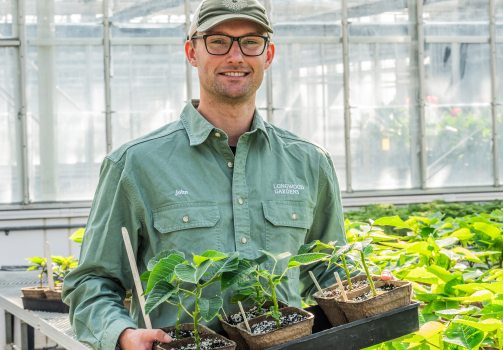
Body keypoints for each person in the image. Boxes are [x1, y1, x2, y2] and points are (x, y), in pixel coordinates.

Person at [62, 0, 346, 349]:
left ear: (268, 54)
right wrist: (122, 334)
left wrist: (366, 288)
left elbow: (327, 269)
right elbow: (93, 281)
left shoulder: (308, 161)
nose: (236, 56)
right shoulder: (136, 164)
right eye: (217, 41)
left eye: (251, 42)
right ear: (192, 52)